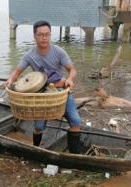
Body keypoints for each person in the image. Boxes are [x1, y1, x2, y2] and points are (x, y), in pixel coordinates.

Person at [5, 21, 81, 151]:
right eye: (40, 34)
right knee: (38, 126)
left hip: (60, 91)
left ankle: (75, 154)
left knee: (75, 121)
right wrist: (10, 79)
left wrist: (70, 79)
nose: (44, 37)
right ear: (35, 36)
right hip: (42, 95)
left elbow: (72, 70)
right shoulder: (30, 55)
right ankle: (36, 149)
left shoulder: (59, 51)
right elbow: (17, 72)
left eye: (47, 34)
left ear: (50, 35)